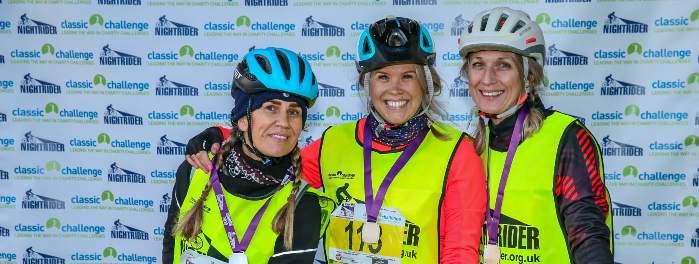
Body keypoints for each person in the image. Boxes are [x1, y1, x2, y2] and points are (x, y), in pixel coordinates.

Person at [184, 17, 487, 263]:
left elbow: (459, 252)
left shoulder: (456, 151)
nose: (395, 89)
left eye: (407, 76)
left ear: (426, 84)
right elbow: (274, 159)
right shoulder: (335, 141)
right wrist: (219, 137)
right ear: (367, 85)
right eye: (383, 77)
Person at [458, 7, 613, 263]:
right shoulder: (469, 145)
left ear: (529, 75)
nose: (487, 79)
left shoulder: (567, 138)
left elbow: (588, 235)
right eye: (478, 65)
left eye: (503, 66)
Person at [162, 47, 333, 264]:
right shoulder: (194, 171)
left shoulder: (303, 204)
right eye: (271, 108)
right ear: (242, 119)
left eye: (293, 112)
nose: (284, 122)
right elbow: (171, 250)